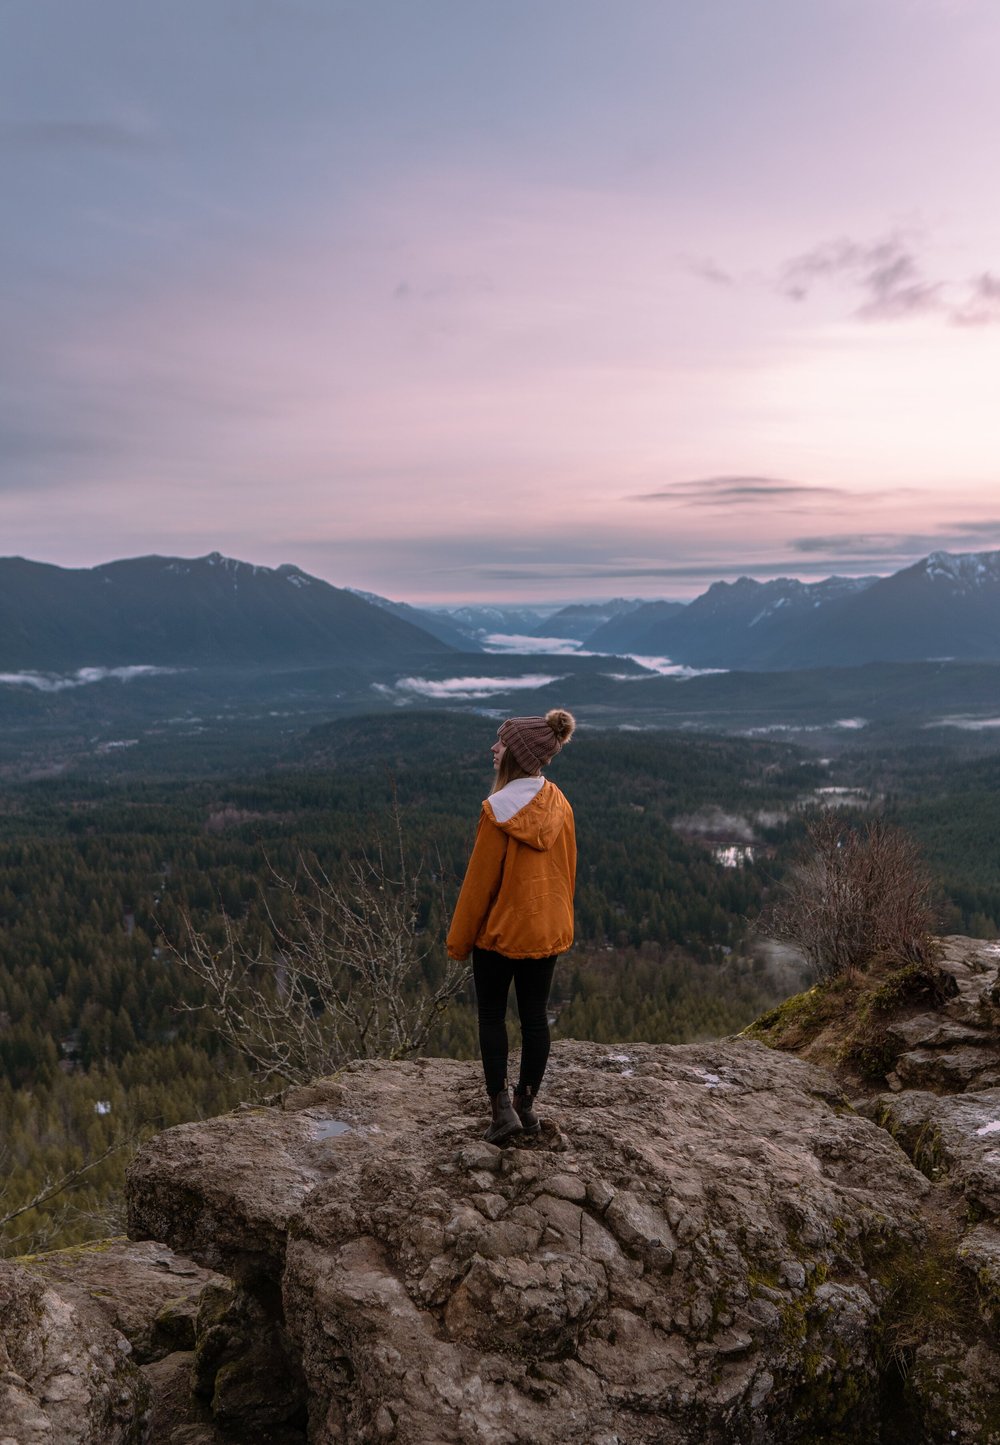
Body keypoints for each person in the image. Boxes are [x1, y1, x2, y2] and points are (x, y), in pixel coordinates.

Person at [447, 708, 577, 1142]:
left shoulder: (496, 810)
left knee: (491, 1017)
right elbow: (566, 873)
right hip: (545, 931)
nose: (493, 747)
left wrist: (460, 941)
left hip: (500, 936)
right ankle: (527, 1105)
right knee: (535, 1020)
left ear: (515, 754)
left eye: (500, 742)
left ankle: (502, 1110)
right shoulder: (560, 803)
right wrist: (557, 922)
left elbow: (478, 885)